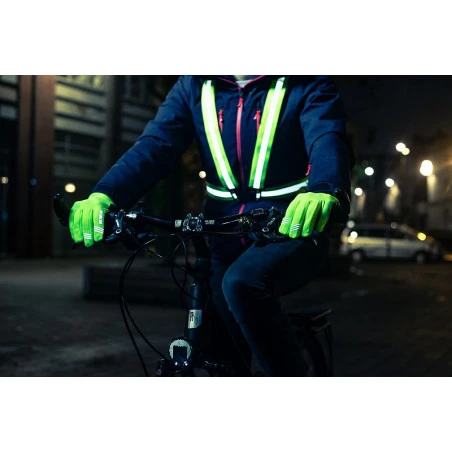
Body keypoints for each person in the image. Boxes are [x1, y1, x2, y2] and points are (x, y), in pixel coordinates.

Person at [69, 75, 353, 376]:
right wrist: (105, 195)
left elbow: (327, 136)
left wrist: (324, 187)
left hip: (290, 224)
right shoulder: (192, 84)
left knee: (242, 284)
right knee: (221, 348)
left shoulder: (307, 81)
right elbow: (155, 145)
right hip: (221, 232)